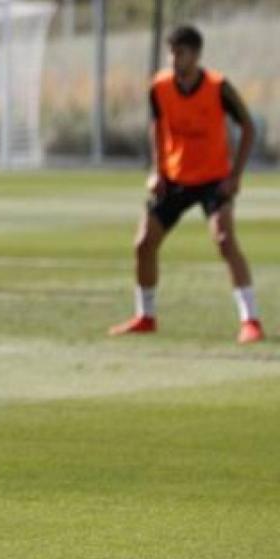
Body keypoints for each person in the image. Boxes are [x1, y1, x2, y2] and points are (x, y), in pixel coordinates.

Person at [109, 25, 263, 344]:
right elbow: (157, 127)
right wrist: (157, 169)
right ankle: (145, 316)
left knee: (223, 239)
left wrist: (234, 176)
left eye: (180, 52)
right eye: (171, 52)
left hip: (213, 179)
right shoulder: (159, 87)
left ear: (196, 54)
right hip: (175, 178)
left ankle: (251, 321)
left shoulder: (218, 87)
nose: (173, 58)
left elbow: (247, 127)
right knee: (143, 243)